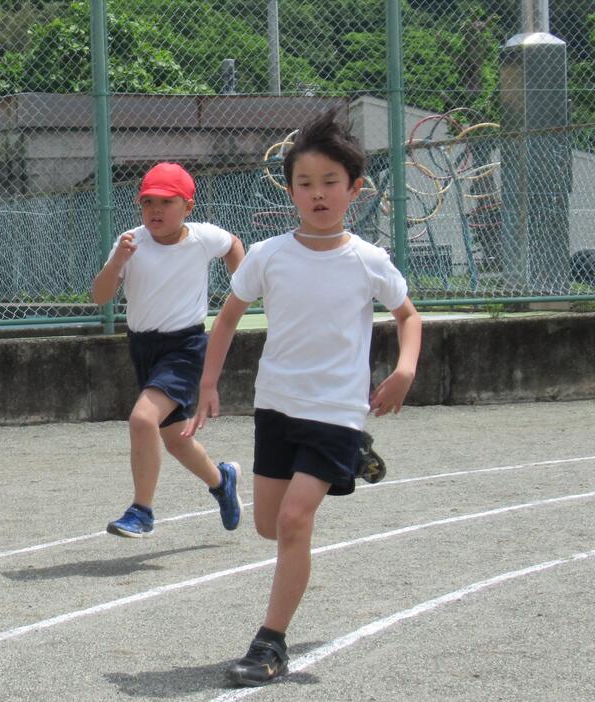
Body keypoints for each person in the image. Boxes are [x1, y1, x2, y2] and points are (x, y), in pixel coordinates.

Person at [183, 109, 422, 685]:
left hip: (337, 411)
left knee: (293, 521)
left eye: (330, 182)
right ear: (290, 191)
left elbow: (408, 316)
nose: (318, 193)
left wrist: (405, 369)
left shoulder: (369, 260)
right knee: (268, 525)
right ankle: (353, 457)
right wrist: (208, 383)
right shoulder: (267, 255)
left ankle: (270, 644)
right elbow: (226, 319)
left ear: (354, 189)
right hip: (277, 405)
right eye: (305, 183)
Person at [92, 161, 246, 538]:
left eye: (166, 201)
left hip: (186, 347)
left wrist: (241, 288)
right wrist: (117, 261)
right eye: (148, 202)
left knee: (143, 419)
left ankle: (141, 511)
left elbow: (233, 244)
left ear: (188, 206)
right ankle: (222, 481)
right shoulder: (130, 241)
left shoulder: (203, 237)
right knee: (176, 440)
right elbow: (100, 296)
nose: (155, 210)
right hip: (143, 347)